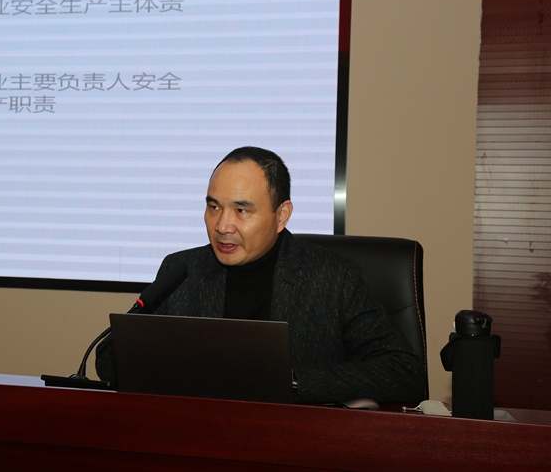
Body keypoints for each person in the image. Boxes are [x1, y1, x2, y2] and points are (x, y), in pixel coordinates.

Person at [96, 146, 425, 404]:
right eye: (214, 207)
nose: (223, 226)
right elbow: (110, 359)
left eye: (241, 210)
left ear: (281, 215)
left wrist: (291, 380)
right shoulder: (182, 270)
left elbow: (404, 372)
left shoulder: (332, 277)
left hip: (296, 440)